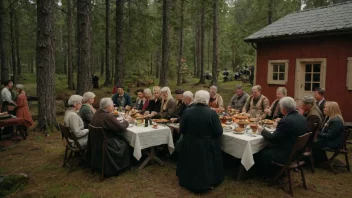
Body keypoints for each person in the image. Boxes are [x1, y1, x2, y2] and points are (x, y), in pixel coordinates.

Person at [176, 90, 224, 192]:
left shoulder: (187, 111)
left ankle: (187, 180)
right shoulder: (212, 113)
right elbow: (219, 132)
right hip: (206, 146)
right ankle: (208, 181)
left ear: (195, 98)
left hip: (189, 144)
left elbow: (182, 130)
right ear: (207, 99)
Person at [256, 97, 308, 178]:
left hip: (286, 154)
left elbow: (273, 138)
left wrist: (261, 130)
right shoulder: (301, 117)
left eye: (280, 107)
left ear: (284, 109)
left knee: (261, 151)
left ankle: (266, 175)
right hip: (297, 153)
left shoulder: (286, 120)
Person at [87, 98, 132, 176]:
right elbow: (120, 128)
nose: (113, 107)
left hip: (96, 142)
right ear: (107, 107)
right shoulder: (107, 116)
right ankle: (124, 165)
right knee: (126, 142)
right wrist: (127, 121)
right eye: (112, 106)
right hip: (107, 144)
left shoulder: (97, 113)